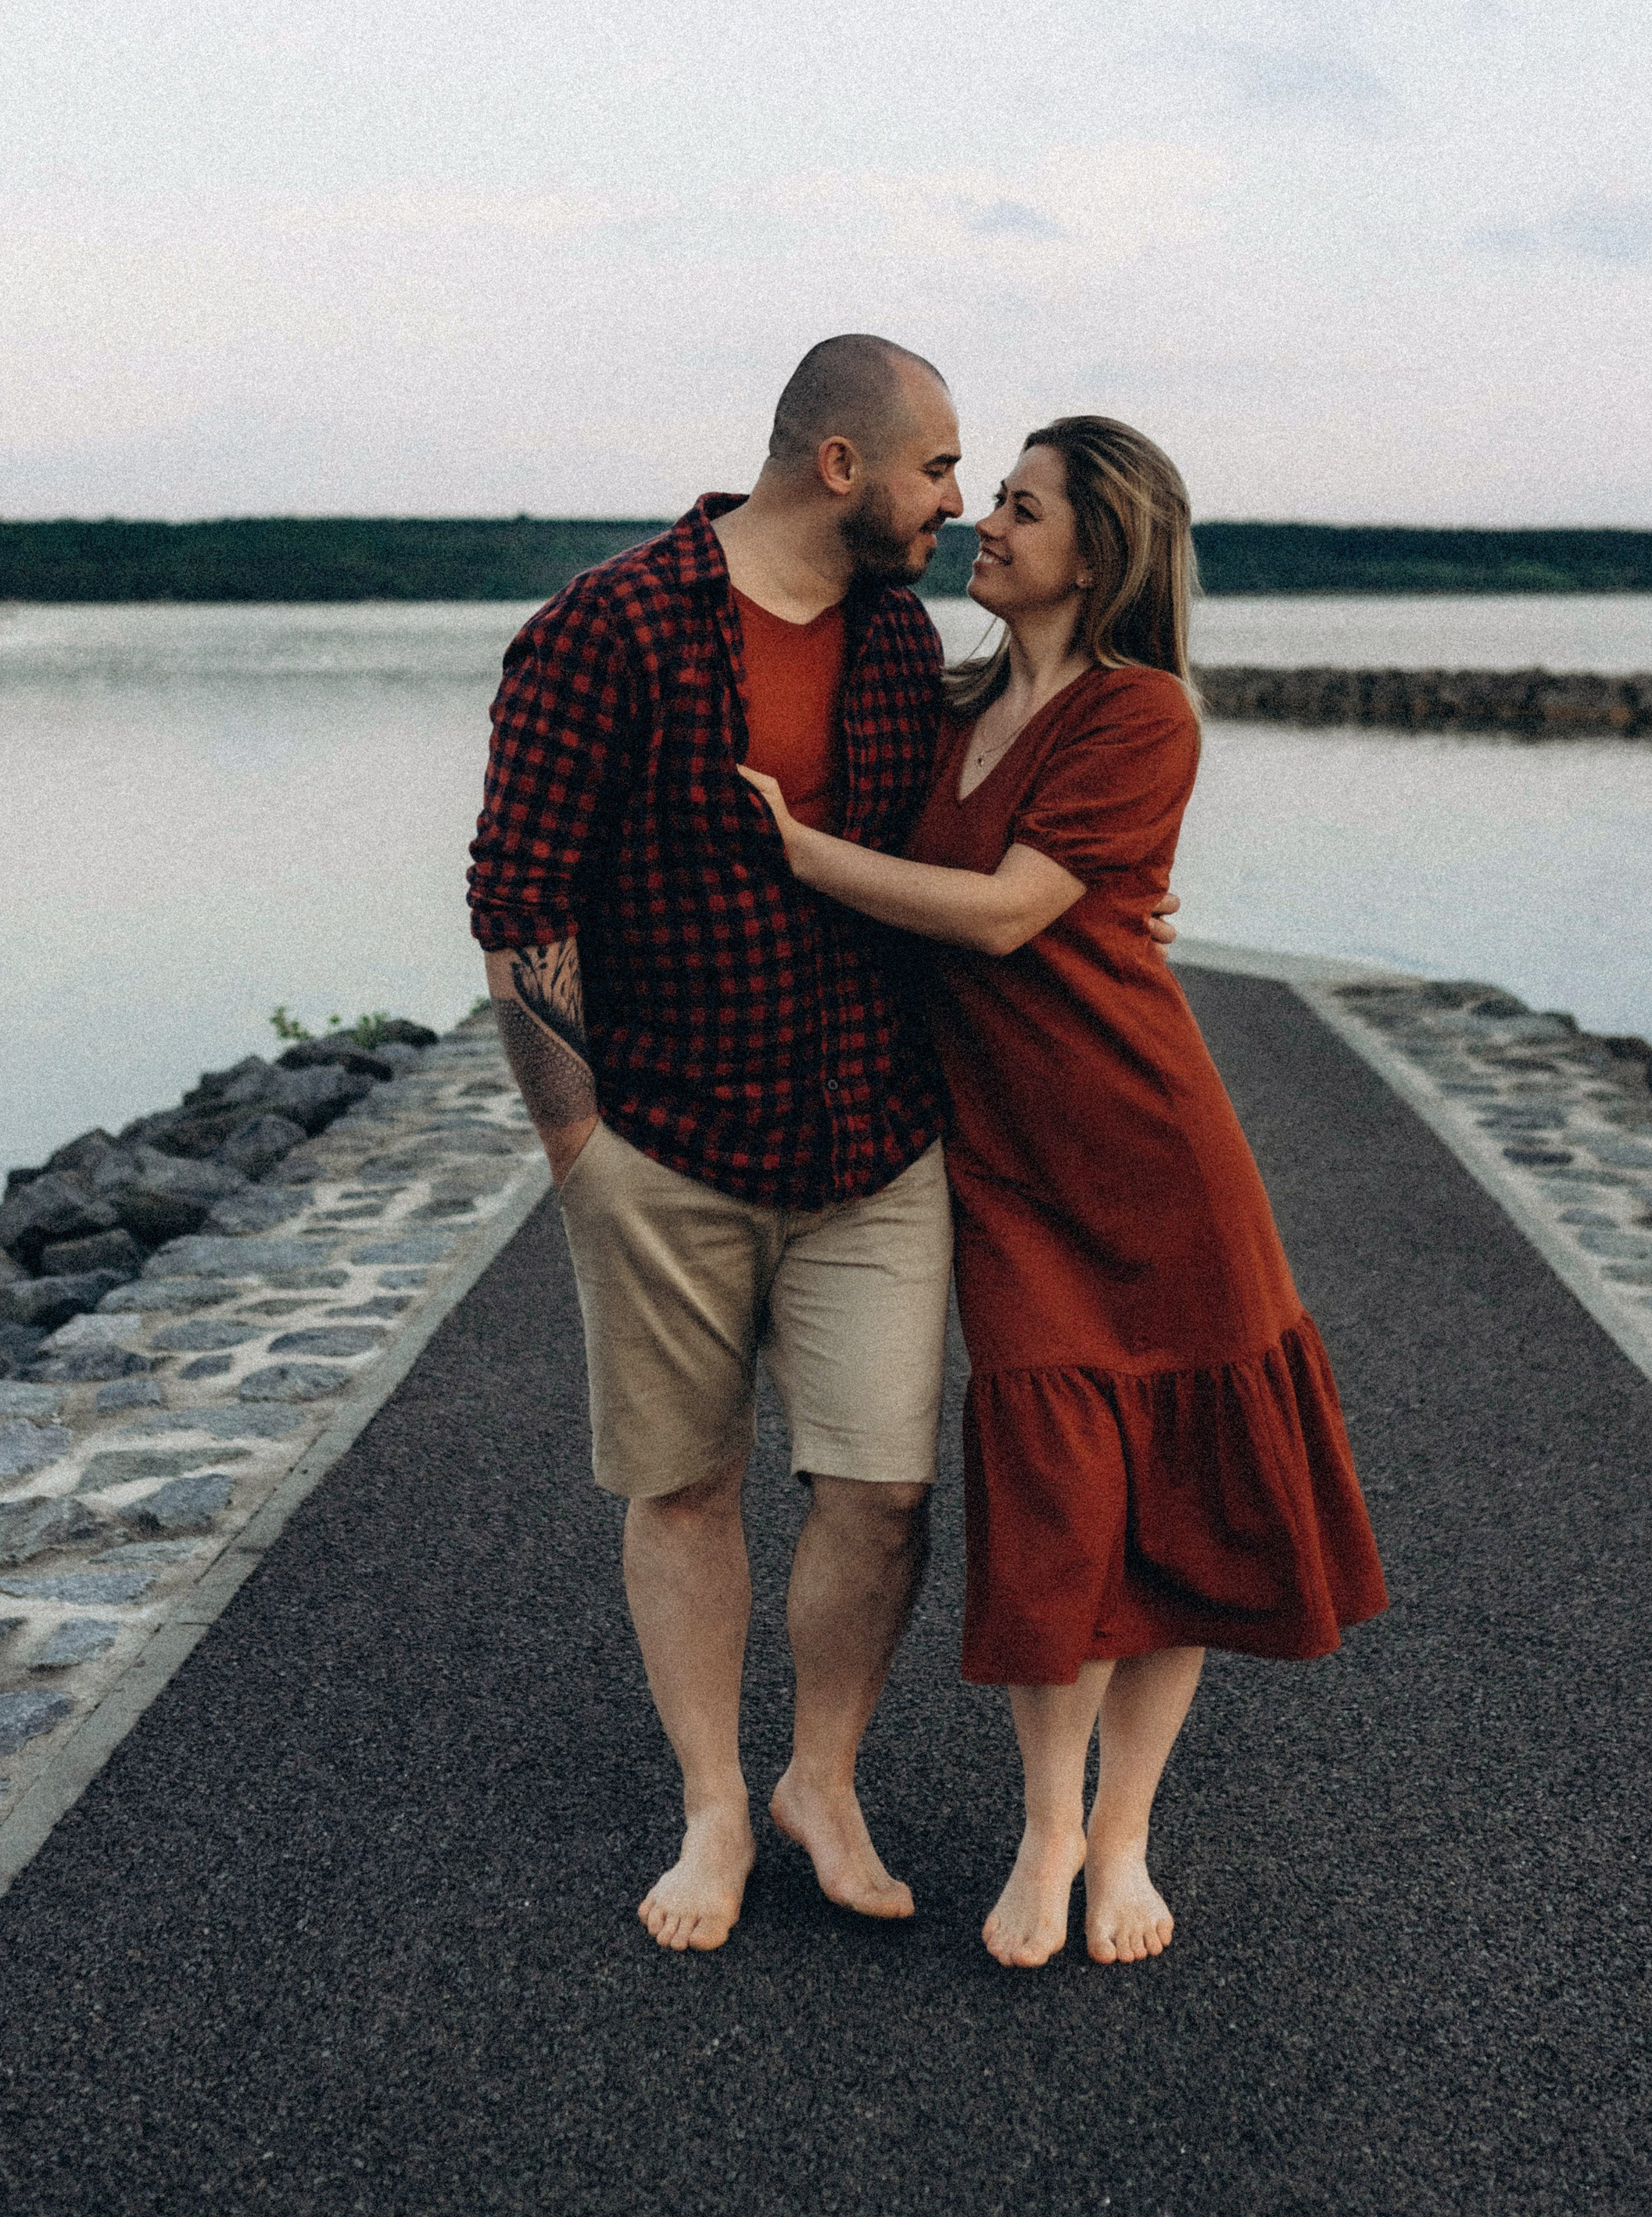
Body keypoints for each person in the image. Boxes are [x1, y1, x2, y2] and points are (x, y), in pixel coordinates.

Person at [471, 340, 1185, 1954]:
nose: (959, 499)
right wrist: (575, 1139)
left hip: (874, 1142)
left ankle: (823, 1778)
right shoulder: (613, 625)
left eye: (981, 484)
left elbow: (996, 831)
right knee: (683, 1485)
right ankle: (714, 1805)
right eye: (941, 469)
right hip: (659, 1142)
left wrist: (1115, 908)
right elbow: (516, 892)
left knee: (880, 1490)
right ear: (844, 466)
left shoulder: (894, 635)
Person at [740, 414, 1388, 1971]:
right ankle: (1044, 1825)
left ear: (1093, 552)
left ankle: (1122, 1836)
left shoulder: (1140, 711)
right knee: (1062, 1507)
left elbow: (1007, 915)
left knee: (1176, 1508)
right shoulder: (946, 697)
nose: (988, 525)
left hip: (1157, 1163)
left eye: (1019, 509)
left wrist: (797, 850)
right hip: (1012, 1173)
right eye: (993, 502)